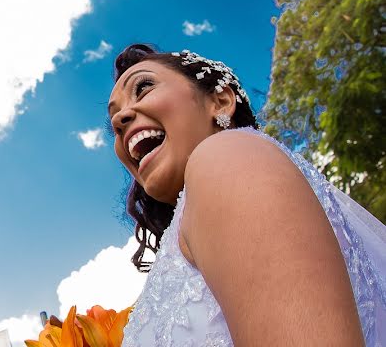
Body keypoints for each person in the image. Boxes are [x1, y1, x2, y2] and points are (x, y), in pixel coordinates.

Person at [107, 44, 385, 346]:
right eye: (114, 117)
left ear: (221, 101)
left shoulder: (225, 156)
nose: (119, 120)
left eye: (144, 87)